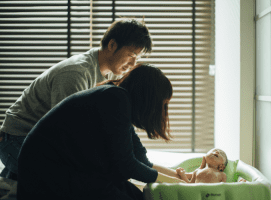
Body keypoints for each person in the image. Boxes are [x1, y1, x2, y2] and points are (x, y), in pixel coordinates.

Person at [0, 18, 152, 181]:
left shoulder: (113, 74)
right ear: (112, 45)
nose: (134, 63)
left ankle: (14, 177)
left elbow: (115, 126)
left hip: (45, 140)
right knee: (74, 178)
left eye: (138, 57)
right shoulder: (75, 73)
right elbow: (66, 133)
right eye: (131, 55)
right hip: (17, 138)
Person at [17, 64, 185, 200]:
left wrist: (179, 177)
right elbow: (126, 166)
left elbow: (140, 158)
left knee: (136, 195)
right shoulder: (116, 99)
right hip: (48, 173)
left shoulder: (118, 98)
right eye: (162, 104)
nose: (162, 111)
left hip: (67, 169)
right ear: (148, 99)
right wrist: (179, 184)